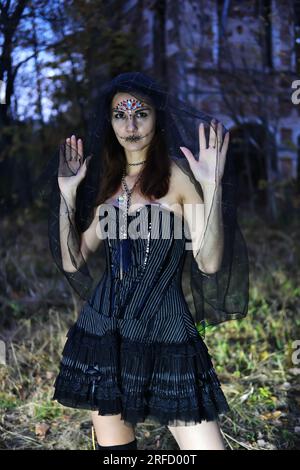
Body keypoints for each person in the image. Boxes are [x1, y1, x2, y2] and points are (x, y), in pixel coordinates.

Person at [36, 72, 249, 450]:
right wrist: (68, 195)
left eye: (141, 113)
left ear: (158, 118)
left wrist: (212, 185)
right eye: (120, 114)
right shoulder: (109, 183)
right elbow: (73, 261)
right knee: (117, 453)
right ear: (110, 121)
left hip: (165, 330)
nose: (130, 125)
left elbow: (210, 262)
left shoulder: (179, 177)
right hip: (105, 331)